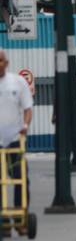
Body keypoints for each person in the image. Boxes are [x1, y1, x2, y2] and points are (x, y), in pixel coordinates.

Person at [0, 49, 33, 231]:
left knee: (20, 178)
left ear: (6, 62)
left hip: (14, 139)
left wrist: (25, 126)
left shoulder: (17, 82)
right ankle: (4, 222)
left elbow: (27, 108)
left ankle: (21, 218)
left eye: (1, 61)